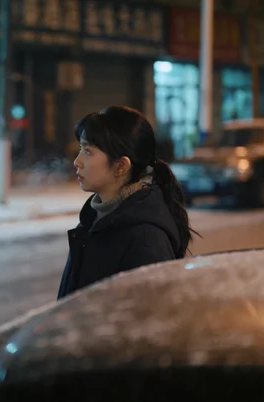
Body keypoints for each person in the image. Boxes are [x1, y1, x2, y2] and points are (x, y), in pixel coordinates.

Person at [57, 106, 198, 299]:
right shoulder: (94, 220)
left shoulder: (145, 240)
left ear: (121, 166)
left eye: (88, 151)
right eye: (80, 148)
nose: (77, 161)